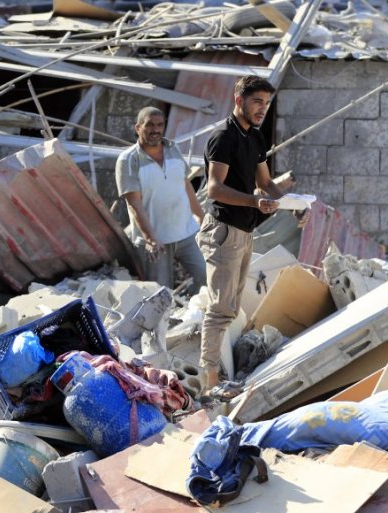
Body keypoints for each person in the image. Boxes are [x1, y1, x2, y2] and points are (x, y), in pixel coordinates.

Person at [198, 75, 284, 395]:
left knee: (230, 308)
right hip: (223, 230)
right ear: (239, 101)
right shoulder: (223, 136)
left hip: (244, 230)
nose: (263, 109)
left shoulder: (255, 137)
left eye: (267, 103)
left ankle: (216, 377)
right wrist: (254, 202)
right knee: (220, 309)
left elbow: (266, 183)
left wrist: (292, 205)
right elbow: (215, 188)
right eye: (257, 102)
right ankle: (210, 386)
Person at [116, 106, 207, 293]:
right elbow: (134, 204)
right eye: (149, 125)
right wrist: (150, 238)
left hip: (186, 233)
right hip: (156, 241)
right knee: (159, 293)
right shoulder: (128, 160)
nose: (155, 130)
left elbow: (185, 184)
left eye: (159, 125)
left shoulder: (173, 149)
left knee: (207, 277)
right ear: (138, 128)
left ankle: (192, 308)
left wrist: (201, 217)